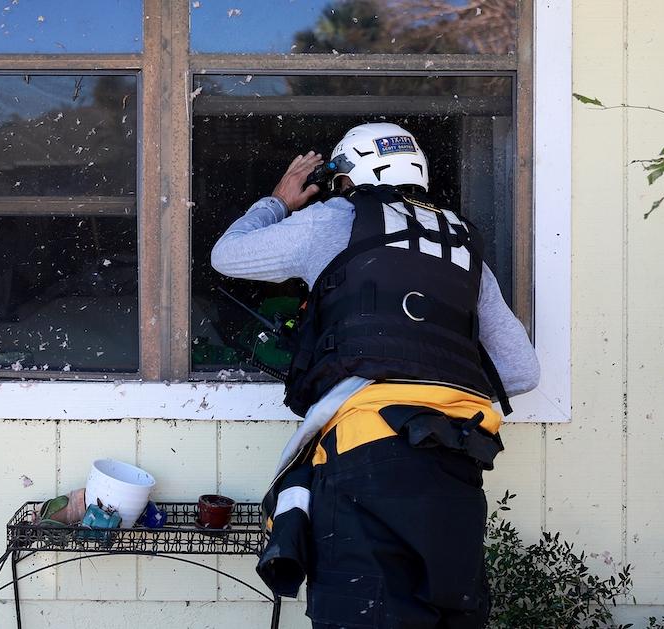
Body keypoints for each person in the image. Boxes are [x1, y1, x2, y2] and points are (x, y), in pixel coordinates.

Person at [210, 122, 539, 628]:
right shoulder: (460, 246)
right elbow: (521, 371)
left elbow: (226, 256)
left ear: (348, 176)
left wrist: (278, 201)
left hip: (366, 458)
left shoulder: (332, 221)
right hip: (457, 466)